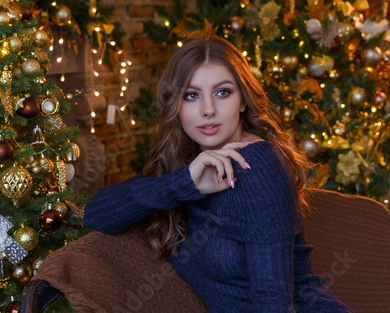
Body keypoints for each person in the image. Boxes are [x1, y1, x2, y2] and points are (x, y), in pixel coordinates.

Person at [84, 36, 352, 312]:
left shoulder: (258, 166)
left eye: (222, 92)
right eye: (192, 95)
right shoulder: (187, 164)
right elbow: (97, 215)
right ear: (176, 106)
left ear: (243, 101)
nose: (208, 110)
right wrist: (185, 184)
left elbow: (274, 303)